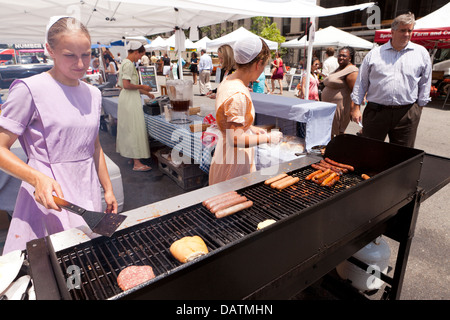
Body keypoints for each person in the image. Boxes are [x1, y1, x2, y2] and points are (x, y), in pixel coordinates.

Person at [0, 16, 118, 253]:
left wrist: (107, 188)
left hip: (87, 187)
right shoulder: (30, 90)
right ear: (49, 50)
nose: (81, 63)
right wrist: (36, 179)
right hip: (50, 193)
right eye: (70, 55)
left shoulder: (94, 94)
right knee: (53, 264)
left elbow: (94, 147)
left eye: (86, 54)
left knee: (87, 256)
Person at [208, 36, 283, 185]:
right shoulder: (238, 93)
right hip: (233, 163)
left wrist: (250, 128)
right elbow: (235, 138)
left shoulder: (229, 80)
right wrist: (268, 138)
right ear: (258, 64)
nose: (262, 71)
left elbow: (230, 122)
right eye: (264, 66)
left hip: (226, 155)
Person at [350, 12, 432, 148]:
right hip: (376, 113)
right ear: (392, 32)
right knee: (369, 152)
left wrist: (418, 109)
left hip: (407, 113)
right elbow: (361, 82)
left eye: (409, 30)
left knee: (402, 155)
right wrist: (355, 108)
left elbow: (425, 82)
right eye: (403, 30)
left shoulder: (421, 53)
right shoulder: (375, 54)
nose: (407, 34)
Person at [116, 41, 155, 172]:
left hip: (127, 97)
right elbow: (126, 84)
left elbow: (127, 86)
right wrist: (143, 86)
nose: (140, 58)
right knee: (134, 129)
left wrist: (147, 93)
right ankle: (137, 163)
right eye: (140, 55)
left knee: (128, 129)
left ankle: (132, 157)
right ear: (136, 52)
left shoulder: (125, 63)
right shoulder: (128, 64)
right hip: (130, 100)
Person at [322, 47, 358, 137]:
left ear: (350, 58)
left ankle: (335, 150)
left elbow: (355, 91)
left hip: (340, 108)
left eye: (344, 56)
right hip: (330, 107)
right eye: (339, 55)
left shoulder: (352, 71)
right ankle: (331, 149)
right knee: (328, 132)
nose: (341, 57)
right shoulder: (340, 68)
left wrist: (354, 109)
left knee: (337, 133)